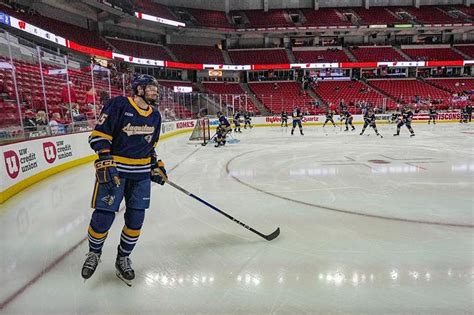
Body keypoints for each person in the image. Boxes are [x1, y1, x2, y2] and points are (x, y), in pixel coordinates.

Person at [81, 74, 165, 286]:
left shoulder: (155, 115)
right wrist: (105, 159)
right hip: (116, 172)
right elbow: (99, 135)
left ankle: (123, 257)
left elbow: (150, 146)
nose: (155, 92)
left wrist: (155, 165)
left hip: (141, 176)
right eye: (151, 88)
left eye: (156, 88)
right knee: (103, 217)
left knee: (136, 220)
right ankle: (94, 253)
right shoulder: (118, 104)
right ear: (138, 89)